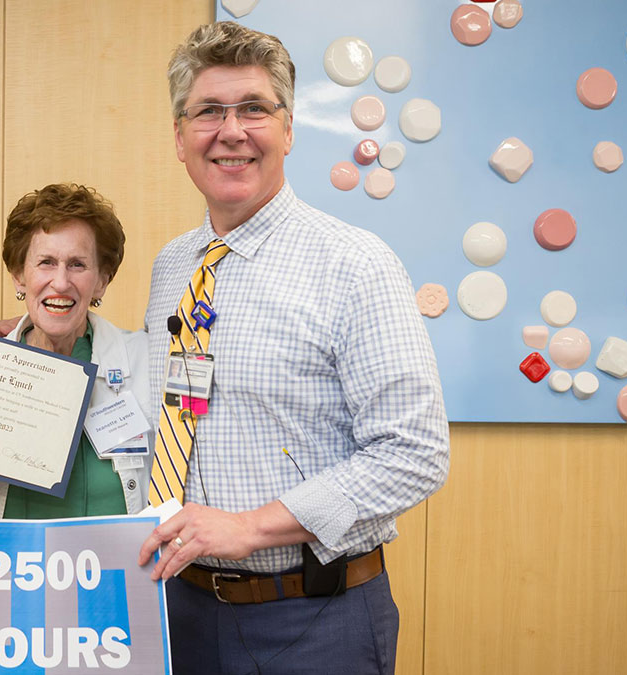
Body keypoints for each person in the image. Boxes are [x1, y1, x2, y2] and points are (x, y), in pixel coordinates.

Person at [130, 22, 450, 674]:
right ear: (179, 137)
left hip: (313, 618)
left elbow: (414, 452)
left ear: (289, 127)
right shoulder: (172, 267)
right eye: (208, 112)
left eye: (254, 108)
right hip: (178, 610)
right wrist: (28, 352)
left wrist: (251, 525)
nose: (231, 130)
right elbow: (158, 410)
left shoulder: (354, 264)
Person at [0, 183, 154, 518]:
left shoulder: (145, 360)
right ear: (19, 276)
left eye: (77, 264)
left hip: (119, 565)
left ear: (101, 280)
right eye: (45, 262)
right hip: (13, 563)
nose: (60, 282)